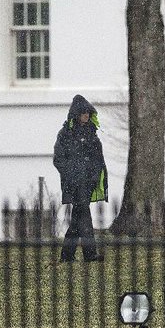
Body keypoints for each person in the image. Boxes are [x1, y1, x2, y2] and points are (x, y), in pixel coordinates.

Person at [53, 95, 108, 262]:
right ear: (76, 114)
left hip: (88, 182)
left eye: (88, 113)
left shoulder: (91, 133)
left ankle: (67, 255)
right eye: (83, 112)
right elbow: (59, 159)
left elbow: (97, 158)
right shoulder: (66, 134)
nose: (86, 115)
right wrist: (72, 175)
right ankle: (89, 254)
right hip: (75, 183)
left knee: (78, 218)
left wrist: (93, 175)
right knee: (84, 217)